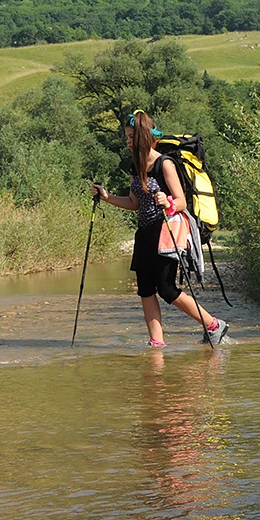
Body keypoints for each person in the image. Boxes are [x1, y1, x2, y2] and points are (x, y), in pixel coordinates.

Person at [91, 110, 229, 347]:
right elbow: (134, 204)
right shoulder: (136, 167)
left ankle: (215, 325)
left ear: (144, 136)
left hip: (167, 233)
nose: (128, 141)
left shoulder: (164, 164)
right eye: (127, 136)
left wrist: (169, 202)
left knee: (166, 290)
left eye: (132, 136)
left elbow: (182, 201)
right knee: (145, 290)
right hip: (144, 234)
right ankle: (157, 343)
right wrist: (106, 197)